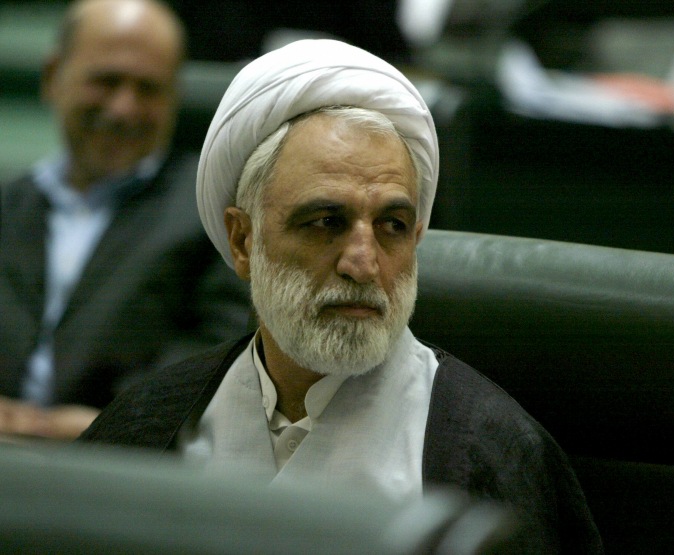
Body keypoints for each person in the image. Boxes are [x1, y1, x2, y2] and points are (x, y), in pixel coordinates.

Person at [78, 39, 603, 552]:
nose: (364, 263)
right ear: (243, 241)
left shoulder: (487, 455)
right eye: (326, 221)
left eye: (392, 225)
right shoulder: (145, 428)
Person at [0, 0, 249, 441]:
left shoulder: (211, 218)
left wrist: (109, 423)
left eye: (148, 89)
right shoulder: (9, 204)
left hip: (125, 464)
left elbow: (218, 349)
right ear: (52, 77)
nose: (123, 109)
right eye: (106, 81)